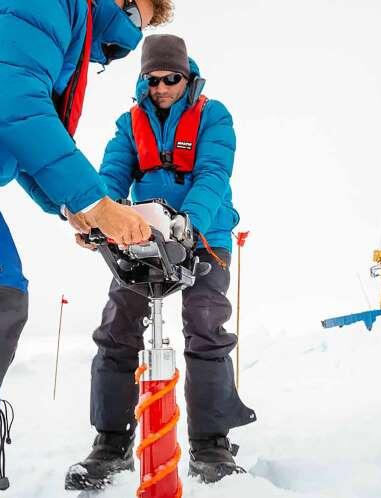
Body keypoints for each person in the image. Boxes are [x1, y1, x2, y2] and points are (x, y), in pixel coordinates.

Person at [0, 1, 173, 496]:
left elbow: (24, 124)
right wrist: (94, 201)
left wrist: (76, 209)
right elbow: (18, 107)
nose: (134, 26)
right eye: (136, 10)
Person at [65, 34, 256, 490]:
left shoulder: (214, 115)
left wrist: (190, 221)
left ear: (187, 77)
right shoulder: (129, 123)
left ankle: (211, 445)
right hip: (143, 236)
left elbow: (213, 173)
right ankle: (110, 444)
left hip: (203, 235)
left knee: (205, 327)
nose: (162, 87)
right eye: (153, 80)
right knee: (116, 330)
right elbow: (112, 175)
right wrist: (97, 216)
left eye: (172, 78)